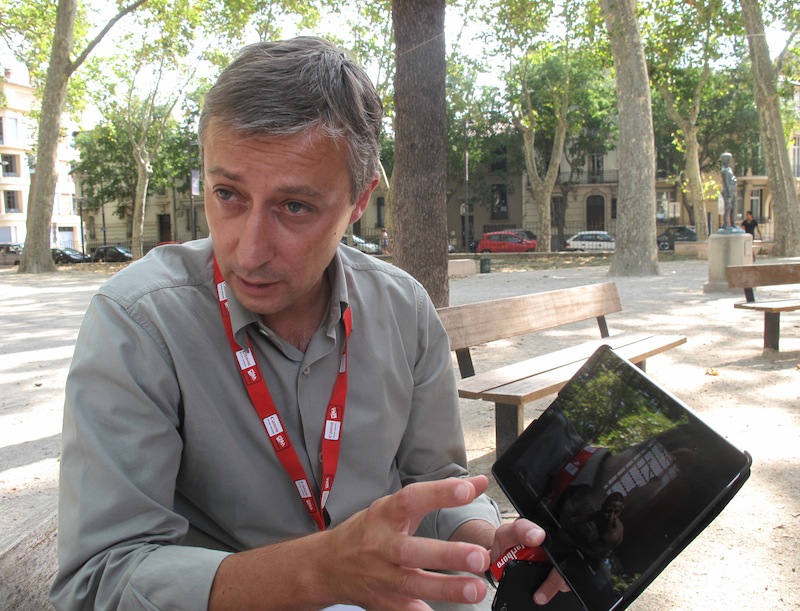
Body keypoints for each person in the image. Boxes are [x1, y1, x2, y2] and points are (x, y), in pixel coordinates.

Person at [50, 37, 564, 610]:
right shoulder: (138, 325)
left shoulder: (404, 310)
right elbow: (98, 580)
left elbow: (434, 485)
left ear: (359, 201)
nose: (249, 251)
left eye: (294, 207)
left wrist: (483, 543)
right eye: (228, 194)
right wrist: (320, 571)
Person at [719, 152, 737, 230]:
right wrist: (729, 193)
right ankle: (726, 224)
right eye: (729, 159)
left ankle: (733, 224)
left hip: (733, 190)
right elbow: (726, 182)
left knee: (733, 207)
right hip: (728, 192)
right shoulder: (724, 170)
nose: (730, 161)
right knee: (728, 207)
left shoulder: (729, 169)